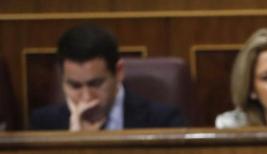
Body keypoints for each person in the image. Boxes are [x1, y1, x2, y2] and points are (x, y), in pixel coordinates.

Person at [29, 23, 186, 131]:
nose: (87, 97)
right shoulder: (43, 124)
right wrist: (74, 146)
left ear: (119, 72)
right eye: (75, 86)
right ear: (62, 80)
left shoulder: (163, 122)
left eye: (95, 84)